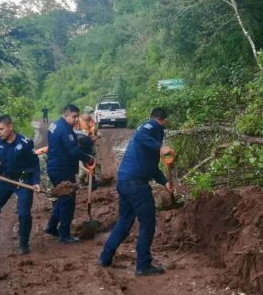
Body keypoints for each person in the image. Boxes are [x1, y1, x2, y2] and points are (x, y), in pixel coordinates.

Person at [98, 108, 174, 276]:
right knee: (147, 222)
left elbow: (152, 168)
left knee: (124, 221)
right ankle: (143, 265)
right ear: (163, 121)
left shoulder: (149, 133)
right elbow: (140, 136)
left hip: (125, 182)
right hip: (136, 185)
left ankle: (105, 257)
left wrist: (165, 183)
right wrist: (161, 146)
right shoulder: (150, 127)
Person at [0, 115, 41, 255]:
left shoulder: (25, 142)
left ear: (10, 127)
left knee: (24, 214)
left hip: (24, 182)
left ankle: (24, 244)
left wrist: (36, 182)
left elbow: (35, 163)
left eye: (1, 129)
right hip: (5, 180)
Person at [44, 104, 95, 243]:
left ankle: (51, 226)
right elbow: (73, 151)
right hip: (62, 169)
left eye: (78, 116)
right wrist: (88, 158)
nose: (77, 119)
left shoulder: (55, 125)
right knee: (68, 201)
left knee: (62, 198)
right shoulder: (64, 130)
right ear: (66, 115)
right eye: (74, 116)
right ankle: (64, 235)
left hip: (55, 167)